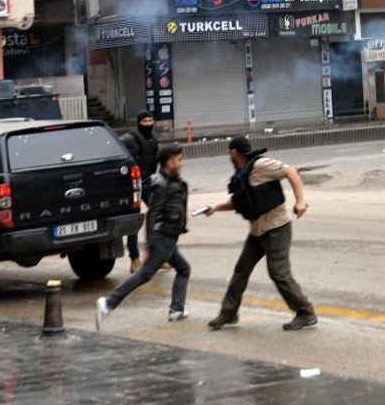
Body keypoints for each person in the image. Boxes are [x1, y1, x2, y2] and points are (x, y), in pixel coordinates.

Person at [204, 136, 317, 332]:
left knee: (278, 272)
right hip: (257, 230)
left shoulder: (261, 165)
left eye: (229, 152)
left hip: (276, 227)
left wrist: (300, 201)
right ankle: (229, 312)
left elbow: (291, 171)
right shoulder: (242, 174)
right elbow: (242, 201)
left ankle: (305, 312)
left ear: (233, 153)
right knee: (241, 270)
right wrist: (215, 207)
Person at [96, 144, 190, 330]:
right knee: (145, 275)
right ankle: (107, 303)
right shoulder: (162, 185)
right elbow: (152, 214)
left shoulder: (172, 181)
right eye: (179, 160)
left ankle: (176, 309)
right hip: (163, 239)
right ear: (170, 163)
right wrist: (150, 245)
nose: (182, 163)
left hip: (169, 238)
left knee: (183, 269)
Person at [119, 110, 159, 272]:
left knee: (157, 213)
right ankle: (134, 259)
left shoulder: (152, 139)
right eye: (145, 121)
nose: (148, 124)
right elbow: (117, 149)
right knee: (135, 220)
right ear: (139, 123)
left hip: (148, 182)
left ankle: (155, 254)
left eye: (150, 120)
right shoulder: (129, 138)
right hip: (133, 185)